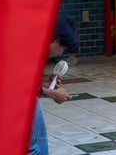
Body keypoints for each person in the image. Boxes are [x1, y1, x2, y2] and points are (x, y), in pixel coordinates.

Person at [29, 16, 80, 155]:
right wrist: (52, 93)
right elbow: (18, 86)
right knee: (35, 146)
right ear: (56, 41)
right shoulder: (30, 50)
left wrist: (42, 82)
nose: (60, 53)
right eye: (62, 49)